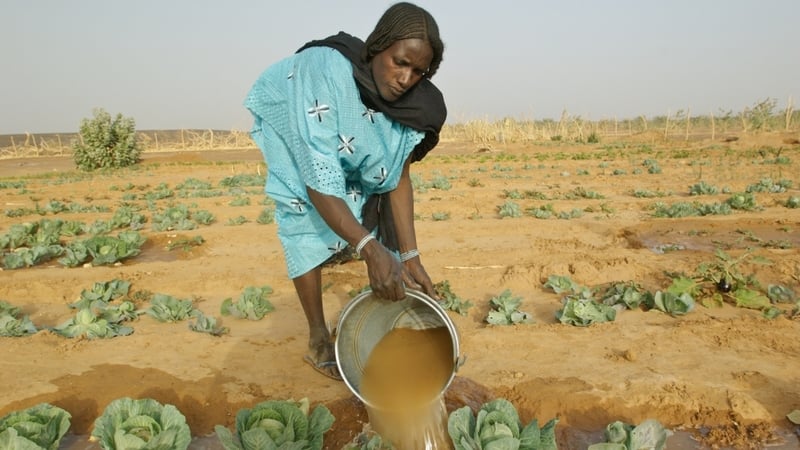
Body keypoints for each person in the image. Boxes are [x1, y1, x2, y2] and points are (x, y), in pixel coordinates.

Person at [244, 2, 446, 380]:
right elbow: (318, 178)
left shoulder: (413, 103)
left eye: (419, 71)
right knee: (305, 213)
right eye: (399, 62)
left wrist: (410, 254)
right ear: (377, 48)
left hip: (348, 135)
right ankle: (319, 336)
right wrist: (370, 248)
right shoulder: (325, 72)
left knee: (358, 201)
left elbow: (396, 171)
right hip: (297, 120)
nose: (406, 78)